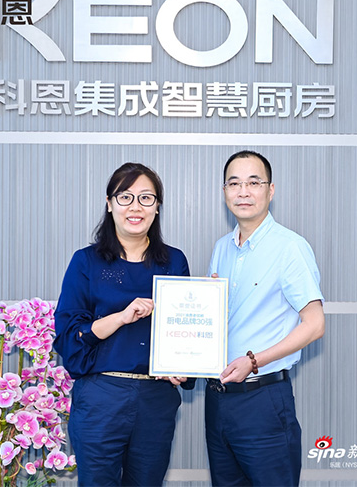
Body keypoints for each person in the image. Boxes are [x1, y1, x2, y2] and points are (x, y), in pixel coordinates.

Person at [53, 162, 193, 487]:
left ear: (157, 207)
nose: (135, 207)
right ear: (109, 203)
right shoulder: (86, 262)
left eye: (146, 198)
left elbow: (184, 330)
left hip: (156, 399)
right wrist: (120, 317)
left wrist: (185, 366)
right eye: (125, 197)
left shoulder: (174, 262)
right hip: (101, 397)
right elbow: (69, 336)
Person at [206, 150, 325, 487]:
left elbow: (315, 324)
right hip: (218, 399)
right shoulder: (222, 248)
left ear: (270, 190)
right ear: (224, 191)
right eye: (234, 184)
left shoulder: (290, 247)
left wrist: (254, 360)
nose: (243, 192)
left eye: (253, 183)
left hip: (263, 400)